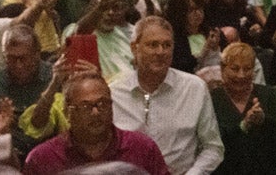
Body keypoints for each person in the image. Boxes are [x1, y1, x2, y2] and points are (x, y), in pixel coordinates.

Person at [109, 16, 224, 175]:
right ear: (134, 48)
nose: (160, 52)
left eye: (167, 45)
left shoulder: (194, 88)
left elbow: (213, 147)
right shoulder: (114, 94)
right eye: (153, 45)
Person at [22, 71, 170, 175]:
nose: (96, 112)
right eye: (86, 106)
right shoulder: (42, 159)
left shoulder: (142, 149)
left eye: (102, 104)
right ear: (68, 112)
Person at [210, 43, 276, 175]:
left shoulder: (269, 95)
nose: (241, 75)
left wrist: (265, 120)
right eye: (235, 69)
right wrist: (243, 126)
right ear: (222, 69)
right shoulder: (212, 99)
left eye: (247, 68)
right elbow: (210, 141)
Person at [0, 25, 50, 161]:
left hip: (50, 155)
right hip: (9, 157)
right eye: (10, 58)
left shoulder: (53, 77)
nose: (18, 65)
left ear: (37, 54)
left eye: (23, 58)